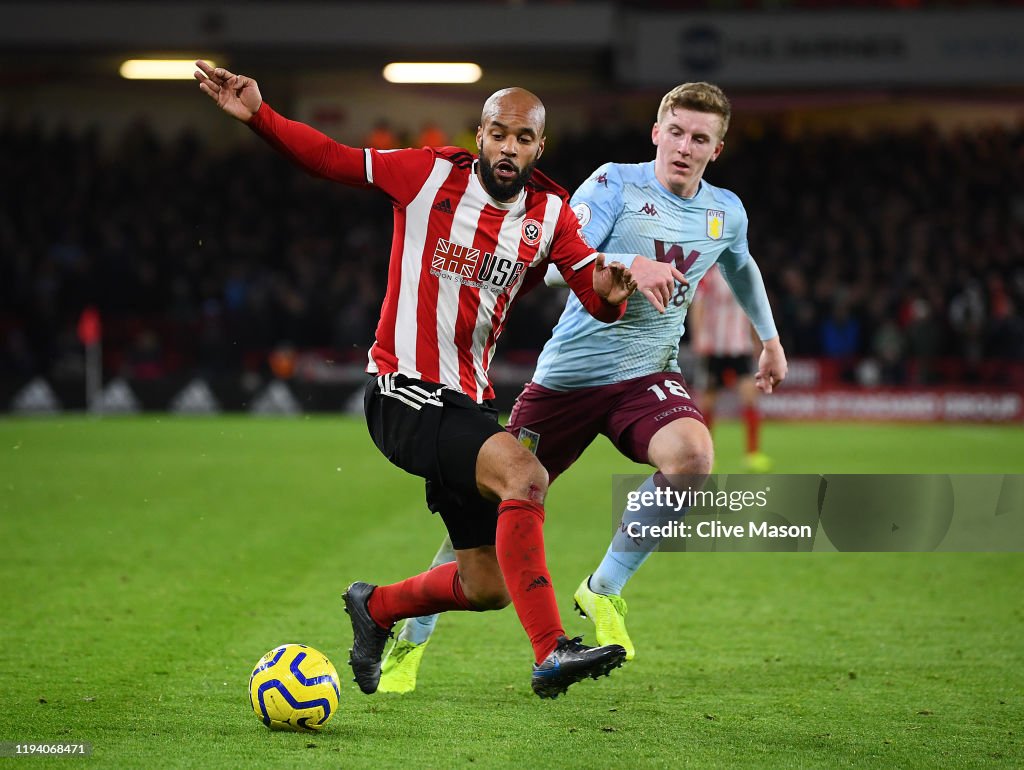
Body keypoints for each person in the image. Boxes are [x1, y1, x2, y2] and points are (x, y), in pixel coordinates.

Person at [194, 61, 684, 699]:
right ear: (479, 135)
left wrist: (615, 290)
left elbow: (595, 292)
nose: (509, 149)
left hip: (468, 402)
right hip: (403, 391)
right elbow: (332, 160)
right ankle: (551, 652)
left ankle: (374, 608)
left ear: (541, 146)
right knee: (525, 476)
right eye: (499, 134)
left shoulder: (552, 213)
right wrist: (260, 115)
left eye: (524, 139)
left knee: (486, 586)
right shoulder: (426, 175)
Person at [378, 81, 788, 693]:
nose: (683, 145)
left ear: (716, 149)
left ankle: (603, 590)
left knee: (693, 457)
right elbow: (551, 265)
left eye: (698, 138)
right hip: (566, 380)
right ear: (656, 133)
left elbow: (742, 265)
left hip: (646, 374)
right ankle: (410, 639)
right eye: (675, 131)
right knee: (481, 523)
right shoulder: (614, 185)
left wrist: (770, 339)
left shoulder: (726, 210)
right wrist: (628, 268)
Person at [689, 263, 772, 471]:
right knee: (708, 401)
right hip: (713, 347)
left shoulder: (744, 273)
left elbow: (752, 309)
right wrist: (699, 338)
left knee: (750, 396)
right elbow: (697, 305)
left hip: (740, 346)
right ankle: (705, 455)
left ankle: (753, 454)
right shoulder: (709, 274)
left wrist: (755, 341)